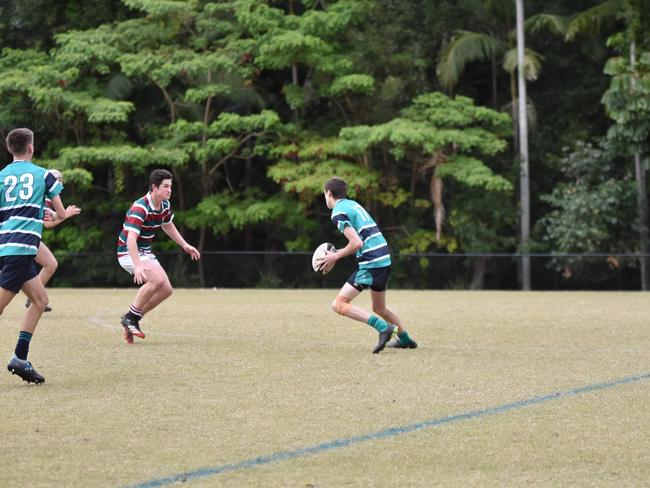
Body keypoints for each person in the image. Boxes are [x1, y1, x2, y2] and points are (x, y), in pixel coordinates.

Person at [319, 176, 418, 353]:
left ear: (328, 193)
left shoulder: (338, 212)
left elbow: (357, 243)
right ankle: (404, 339)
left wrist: (334, 257)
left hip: (372, 262)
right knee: (379, 307)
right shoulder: (352, 204)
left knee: (339, 304)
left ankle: (383, 328)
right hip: (383, 258)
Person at [2, 128, 69, 384]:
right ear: (30, 147)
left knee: (40, 300)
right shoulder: (44, 175)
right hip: (21, 249)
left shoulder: (1, 176)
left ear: (11, 149)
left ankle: (20, 358)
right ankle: (19, 358)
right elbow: (60, 213)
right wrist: (53, 215)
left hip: (9, 245)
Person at [117, 168, 201, 344]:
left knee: (166, 290)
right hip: (127, 252)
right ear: (154, 187)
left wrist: (185, 245)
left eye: (170, 186)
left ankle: (132, 318)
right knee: (156, 280)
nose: (169, 190)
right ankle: (130, 318)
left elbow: (168, 225)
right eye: (165, 186)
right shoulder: (141, 207)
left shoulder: (164, 205)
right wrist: (138, 265)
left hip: (145, 252)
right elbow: (131, 239)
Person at [24, 169, 81, 312]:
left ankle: (33, 297)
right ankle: (34, 298)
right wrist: (65, 215)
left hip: (27, 236)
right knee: (48, 264)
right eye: (59, 180)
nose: (61, 185)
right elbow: (48, 223)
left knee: (50, 264)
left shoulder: (43, 195)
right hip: (25, 237)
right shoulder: (47, 197)